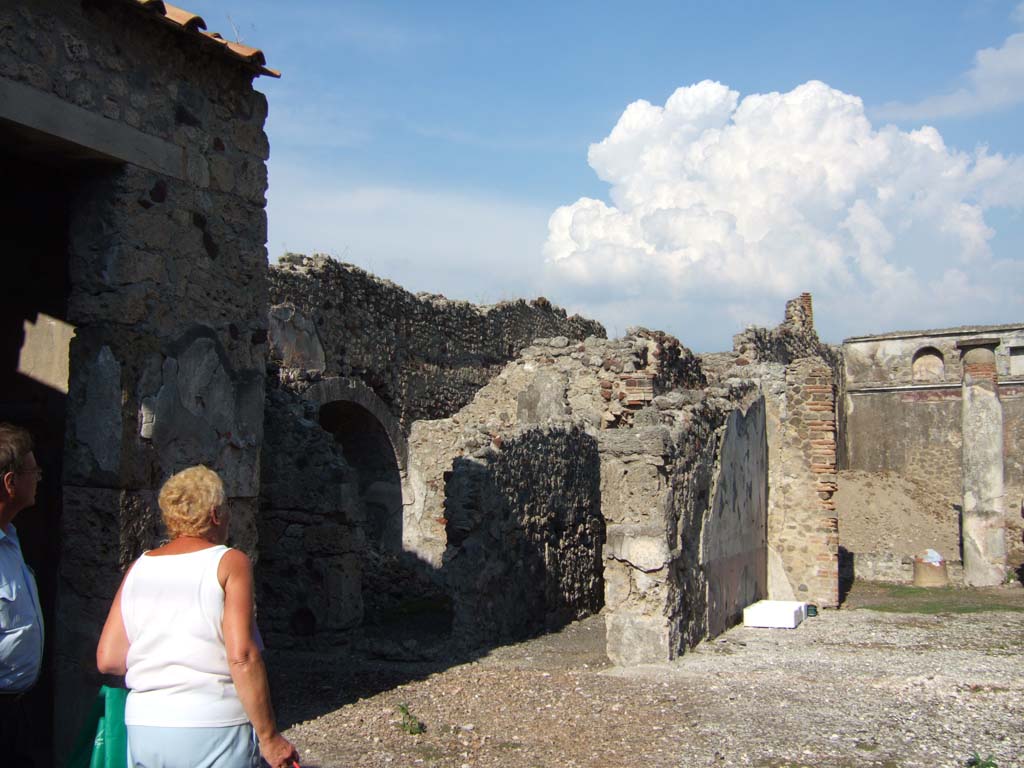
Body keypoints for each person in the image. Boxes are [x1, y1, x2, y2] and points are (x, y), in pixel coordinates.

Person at [97, 465, 298, 768]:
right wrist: (269, 738)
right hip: (213, 723)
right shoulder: (229, 562)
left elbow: (109, 658)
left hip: (145, 724)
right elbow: (241, 656)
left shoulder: (138, 568)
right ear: (216, 515)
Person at [0, 423, 45, 765]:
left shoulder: (11, 538)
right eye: (32, 471)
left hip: (19, 710)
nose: (39, 478)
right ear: (10, 483)